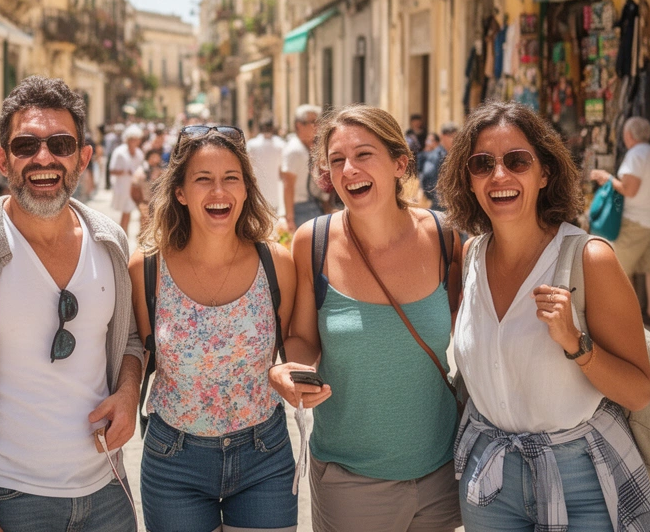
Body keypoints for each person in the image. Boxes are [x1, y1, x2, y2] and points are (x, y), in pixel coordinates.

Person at [0, 76, 143, 532]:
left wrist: (128, 391)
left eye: (60, 144)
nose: (44, 158)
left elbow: (132, 340)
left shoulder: (111, 242)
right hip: (12, 500)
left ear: (83, 158)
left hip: (108, 494)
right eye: (26, 145)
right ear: (2, 159)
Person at [437, 101, 650, 532]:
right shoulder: (471, 256)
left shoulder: (589, 259)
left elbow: (639, 393)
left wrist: (576, 343)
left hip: (583, 479)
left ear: (545, 173)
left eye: (517, 161)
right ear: (468, 179)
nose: (499, 175)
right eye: (482, 164)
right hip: (491, 480)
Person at [269, 105, 463, 532]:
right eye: (336, 160)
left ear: (400, 163)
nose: (349, 169)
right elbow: (302, 338)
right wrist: (290, 370)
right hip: (349, 479)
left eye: (363, 155)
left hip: (442, 471)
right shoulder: (313, 242)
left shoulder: (445, 236)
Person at [131, 124, 298, 531]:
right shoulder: (147, 269)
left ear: (246, 190)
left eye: (231, 179)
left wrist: (292, 372)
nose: (219, 192)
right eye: (203, 180)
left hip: (265, 456)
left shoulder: (277, 264)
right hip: (174, 462)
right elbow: (136, 351)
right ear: (180, 193)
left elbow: (291, 344)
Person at [590, 116, 650, 328]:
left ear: (629, 135)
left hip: (636, 221)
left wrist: (607, 178)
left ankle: (625, 314)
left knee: (620, 267)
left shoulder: (636, 155)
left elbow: (629, 190)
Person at [281, 104, 323, 233]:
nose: (317, 126)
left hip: (314, 205)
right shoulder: (294, 150)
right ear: (299, 125)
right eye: (313, 122)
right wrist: (290, 218)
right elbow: (288, 185)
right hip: (301, 209)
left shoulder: (309, 147)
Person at [246, 118, 286, 216]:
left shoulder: (252, 144)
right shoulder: (280, 145)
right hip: (274, 195)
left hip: (257, 194)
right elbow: (282, 170)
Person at [109, 125, 144, 233]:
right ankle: (124, 238)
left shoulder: (139, 153)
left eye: (136, 139)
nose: (134, 141)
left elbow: (141, 167)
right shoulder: (119, 152)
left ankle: (140, 239)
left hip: (136, 187)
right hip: (123, 187)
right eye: (132, 139)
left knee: (143, 213)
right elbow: (111, 170)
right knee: (126, 214)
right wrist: (125, 171)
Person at [418, 122, 455, 212]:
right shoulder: (436, 155)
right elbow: (427, 178)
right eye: (453, 137)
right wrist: (438, 199)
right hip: (439, 206)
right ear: (444, 136)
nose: (455, 140)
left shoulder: (449, 154)